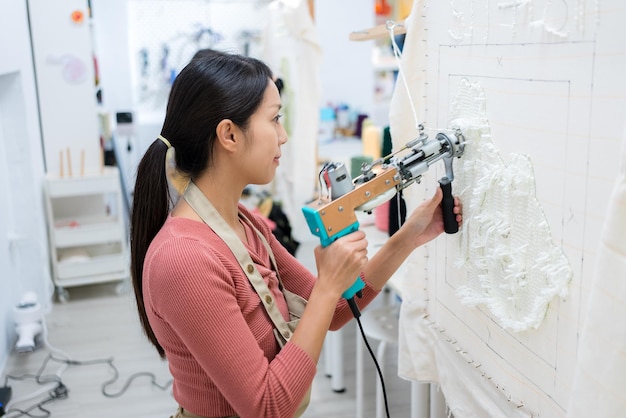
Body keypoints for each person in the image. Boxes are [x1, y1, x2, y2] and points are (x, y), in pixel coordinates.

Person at [130, 48, 462, 418]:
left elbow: (336, 310)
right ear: (229, 135)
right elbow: (267, 407)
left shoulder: (244, 222)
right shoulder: (184, 259)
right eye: (274, 120)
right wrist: (326, 285)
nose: (283, 137)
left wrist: (411, 234)